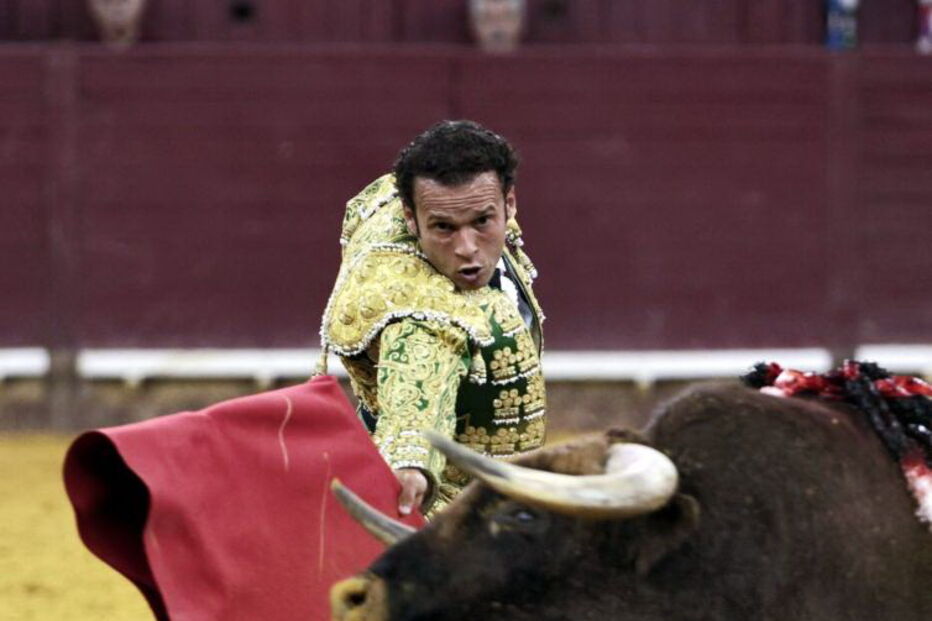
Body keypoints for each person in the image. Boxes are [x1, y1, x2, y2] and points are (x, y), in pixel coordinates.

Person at [319, 120, 547, 517]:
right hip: (446, 519)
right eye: (444, 228)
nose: (467, 248)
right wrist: (411, 463)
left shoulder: (427, 202)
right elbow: (418, 380)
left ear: (509, 205)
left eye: (482, 221)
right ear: (411, 219)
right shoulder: (415, 306)